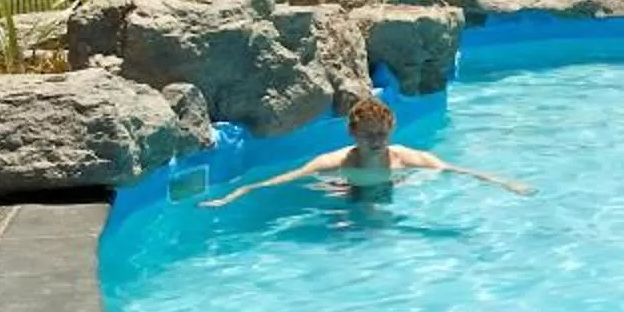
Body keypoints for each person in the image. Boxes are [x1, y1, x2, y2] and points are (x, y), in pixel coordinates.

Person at [204, 94, 531, 205]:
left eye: (382, 134)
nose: (376, 141)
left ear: (391, 132)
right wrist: (235, 194)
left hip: (392, 183)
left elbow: (455, 170)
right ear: (352, 133)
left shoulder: (406, 158)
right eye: (368, 135)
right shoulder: (333, 163)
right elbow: (280, 180)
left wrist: (504, 182)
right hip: (349, 189)